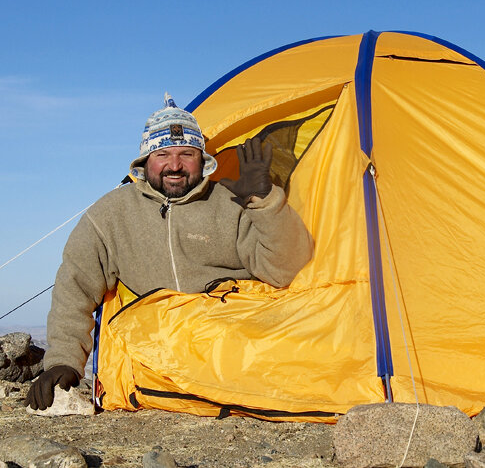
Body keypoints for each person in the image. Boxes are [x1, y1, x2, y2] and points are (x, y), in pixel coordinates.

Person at [25, 93, 314, 410]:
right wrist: (62, 362)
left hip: (234, 351)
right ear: (144, 161)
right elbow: (75, 288)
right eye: (162, 154)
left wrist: (265, 200)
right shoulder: (109, 215)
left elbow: (286, 269)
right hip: (156, 363)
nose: (174, 165)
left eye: (186, 154)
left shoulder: (231, 202)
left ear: (201, 160)